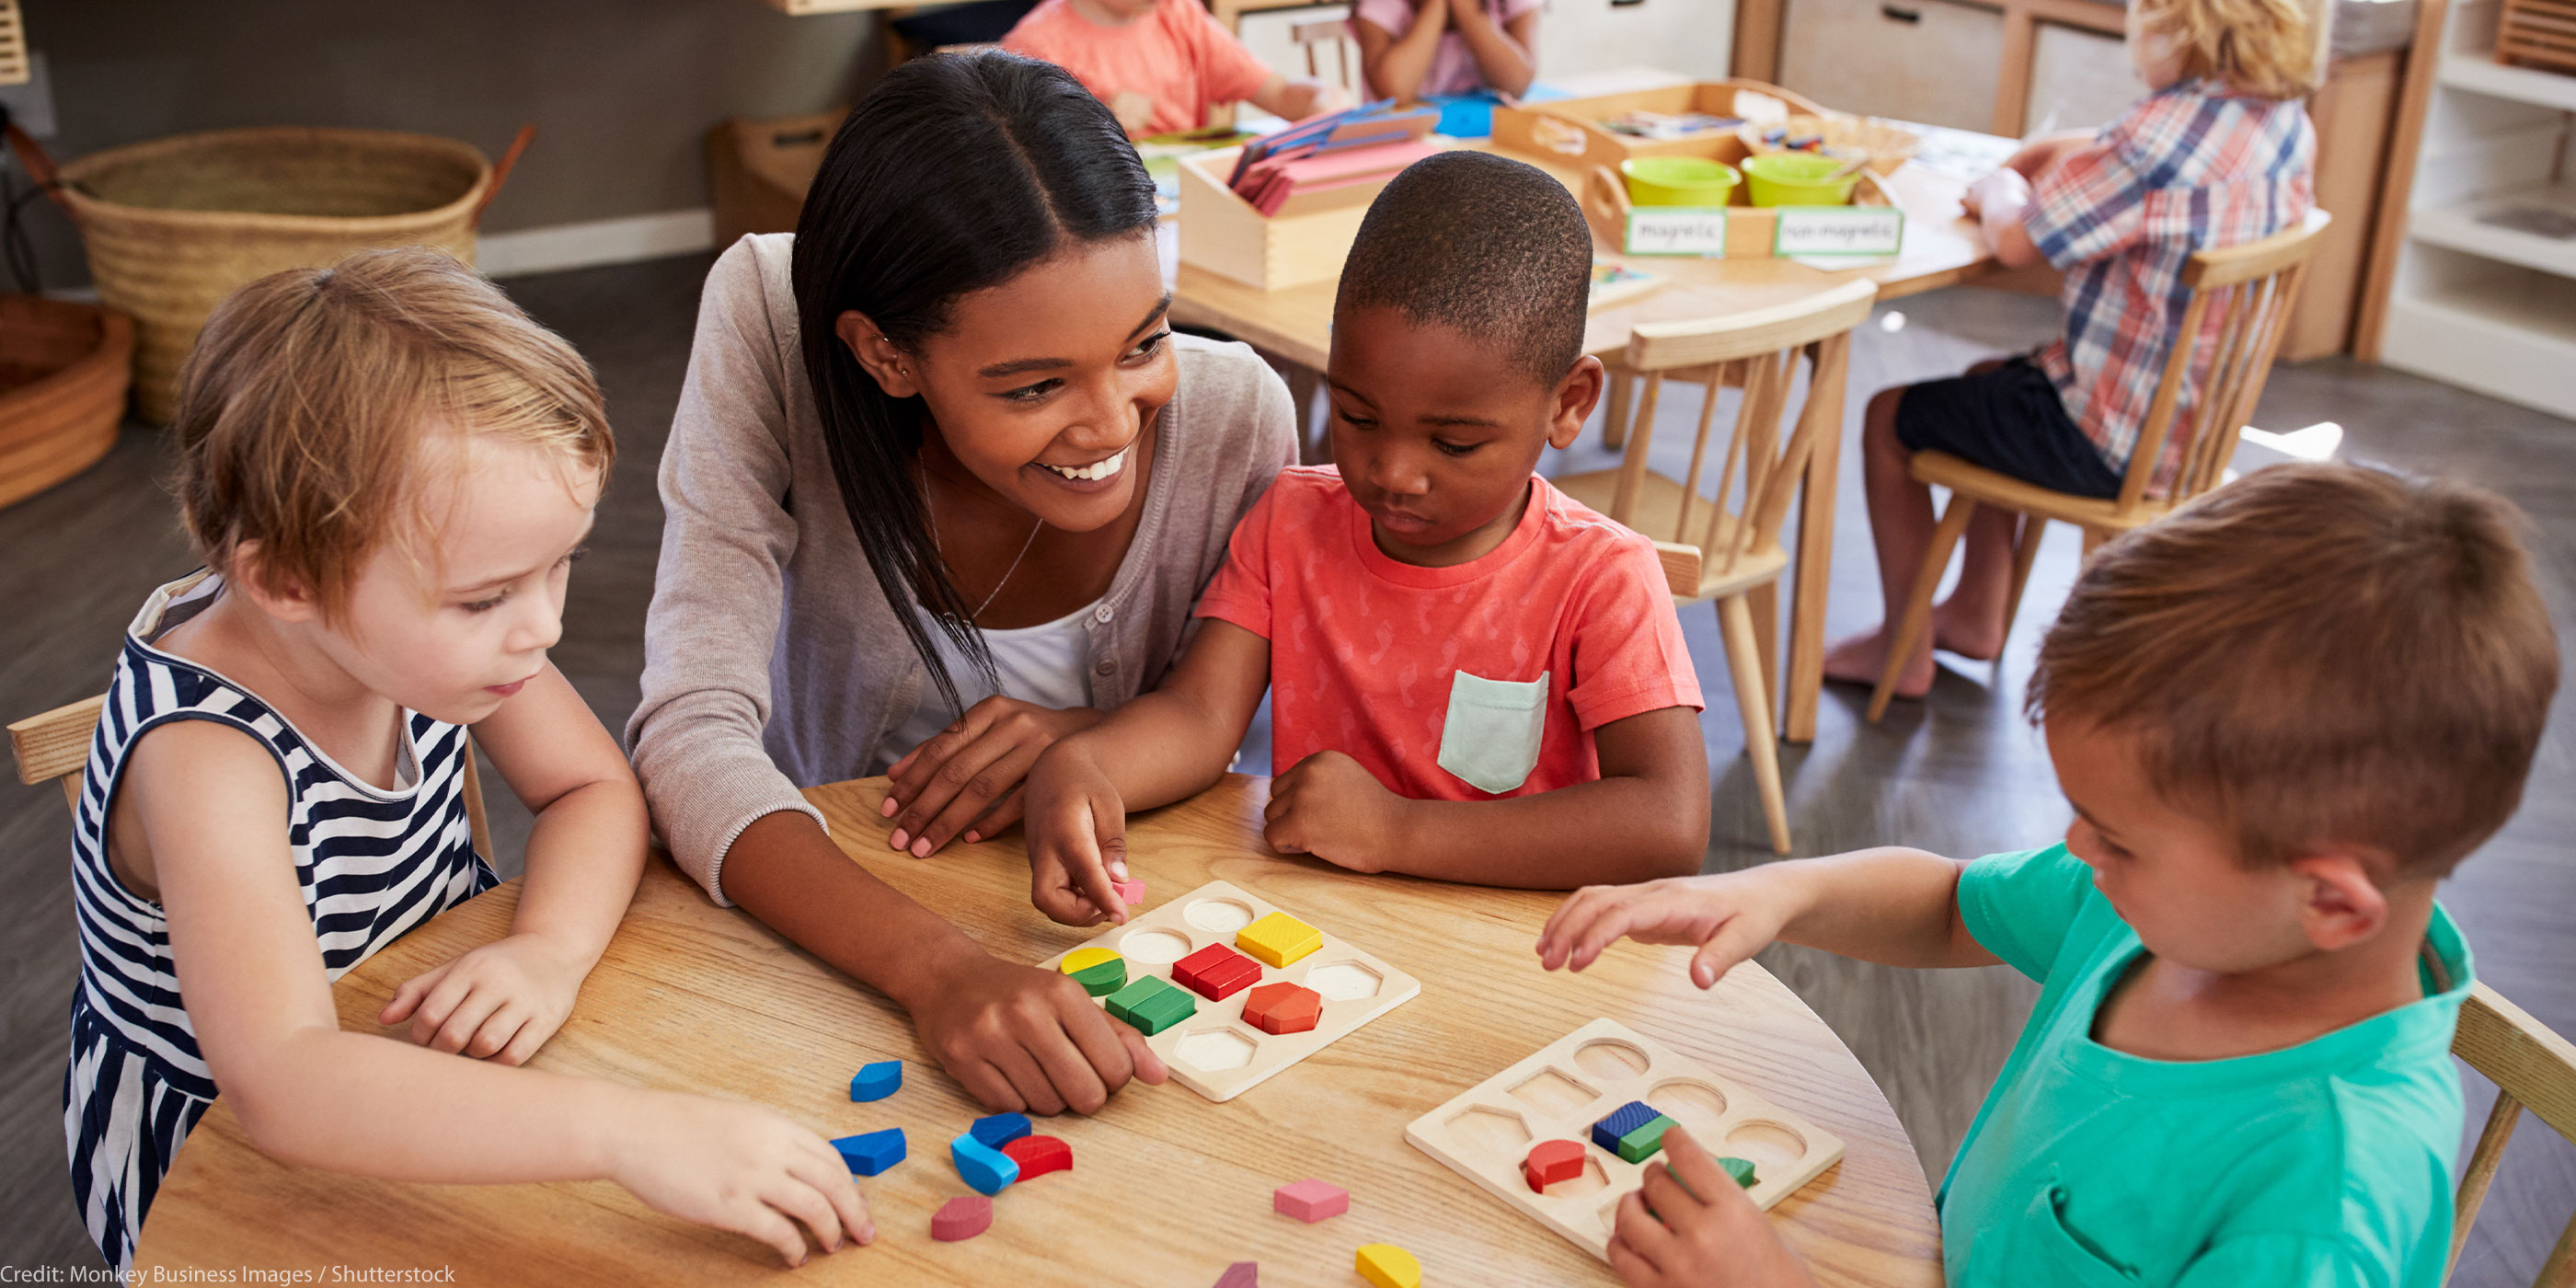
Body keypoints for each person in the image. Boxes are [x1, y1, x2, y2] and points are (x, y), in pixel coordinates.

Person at [1540, 463, 2559, 1287]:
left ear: (2332, 899)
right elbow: (1949, 904)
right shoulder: (2170, 915)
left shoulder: (2321, 1211)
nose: (2079, 849)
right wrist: (1777, 892)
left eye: (2117, 836)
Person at [62, 249, 871, 1273]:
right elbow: (284, 1082)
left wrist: (549, 949)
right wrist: (627, 1132)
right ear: (285, 582)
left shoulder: (412, 630)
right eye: (489, 595)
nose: (541, 626)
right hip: (224, 1161)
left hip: (430, 1041)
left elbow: (590, 786)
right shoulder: (206, 758)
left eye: (558, 565)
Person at [627, 52, 1299, 1115]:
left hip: (1124, 943)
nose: (1112, 424)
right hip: (833, 912)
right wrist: (939, 972)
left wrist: (1089, 734)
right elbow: (687, 730)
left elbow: (1237, 735)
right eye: (1034, 385)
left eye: (1144, 342)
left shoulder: (1236, 417)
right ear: (884, 356)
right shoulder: (773, 315)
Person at [1019, 151, 1708, 926]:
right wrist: (1085, 763)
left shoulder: (1603, 577)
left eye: (1453, 444)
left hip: (1515, 949)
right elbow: (1200, 719)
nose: (1393, 473)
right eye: (1358, 417)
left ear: (1568, 404)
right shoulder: (1291, 521)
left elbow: (1668, 824)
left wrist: (1398, 830)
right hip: (1321, 932)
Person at [1822, 0, 2318, 699]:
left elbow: (2020, 240)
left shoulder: (2149, 141)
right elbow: (2141, 165)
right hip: (2189, 431)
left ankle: (1898, 649)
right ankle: (1973, 614)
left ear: (2180, 29)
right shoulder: (2283, 119)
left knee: (1889, 418)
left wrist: (2000, 187)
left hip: (2105, 444)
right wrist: (2090, 147)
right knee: (1988, 381)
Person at [1002, 0, 1348, 137]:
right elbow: (1025, 163)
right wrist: (1097, 122)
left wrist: (1323, 98)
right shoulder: (1034, 45)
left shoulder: (1177, 12)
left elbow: (1280, 94)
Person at [1353, 0, 1541, 105]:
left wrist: (1467, 10)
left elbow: (1517, 84)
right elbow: (1395, 93)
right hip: (1407, 147)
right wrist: (1435, 6)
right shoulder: (1381, 5)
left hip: (1485, 141)